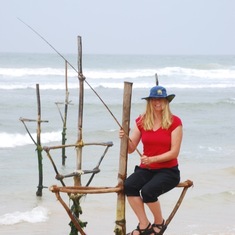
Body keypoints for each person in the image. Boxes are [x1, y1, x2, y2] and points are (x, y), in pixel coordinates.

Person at [119, 85, 183, 235]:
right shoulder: (142, 121)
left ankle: (159, 222)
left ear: (166, 101)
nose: (157, 102)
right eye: (154, 99)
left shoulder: (175, 122)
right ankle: (144, 224)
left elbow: (174, 153)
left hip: (168, 171)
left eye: (160, 99)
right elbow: (130, 148)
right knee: (129, 185)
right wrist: (125, 136)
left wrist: (153, 159)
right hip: (147, 169)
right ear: (149, 101)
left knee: (148, 192)